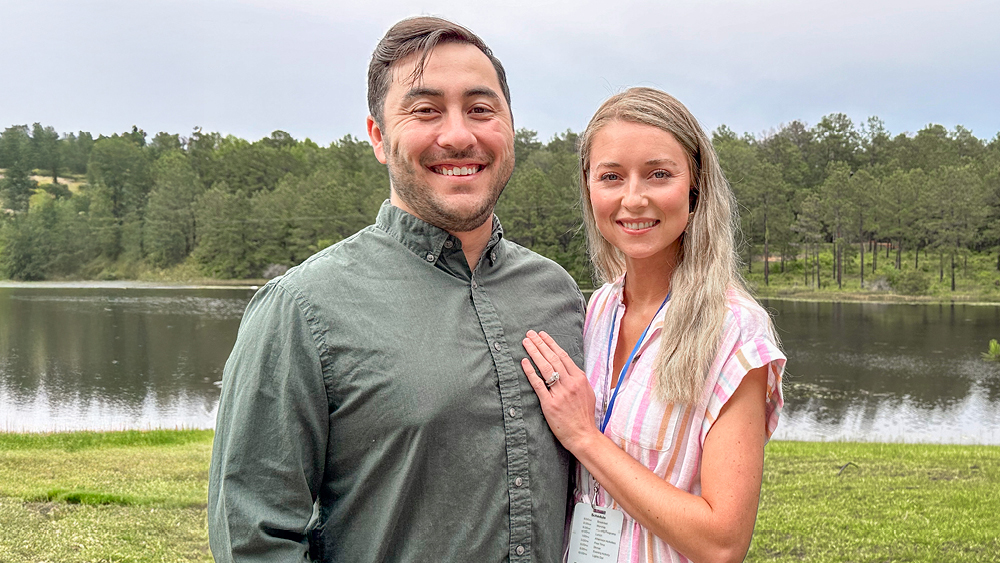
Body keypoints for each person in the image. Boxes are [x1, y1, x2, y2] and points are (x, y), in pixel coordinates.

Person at [208, 17, 585, 562]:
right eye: (425, 110)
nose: (458, 135)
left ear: (508, 127)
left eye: (481, 109)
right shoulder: (301, 310)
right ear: (380, 138)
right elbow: (254, 539)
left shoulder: (557, 294)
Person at [519, 87, 784, 563]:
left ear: (694, 184)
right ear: (589, 187)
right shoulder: (596, 310)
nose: (633, 198)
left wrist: (584, 438)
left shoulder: (736, 331)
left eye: (658, 174)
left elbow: (721, 543)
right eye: (611, 177)